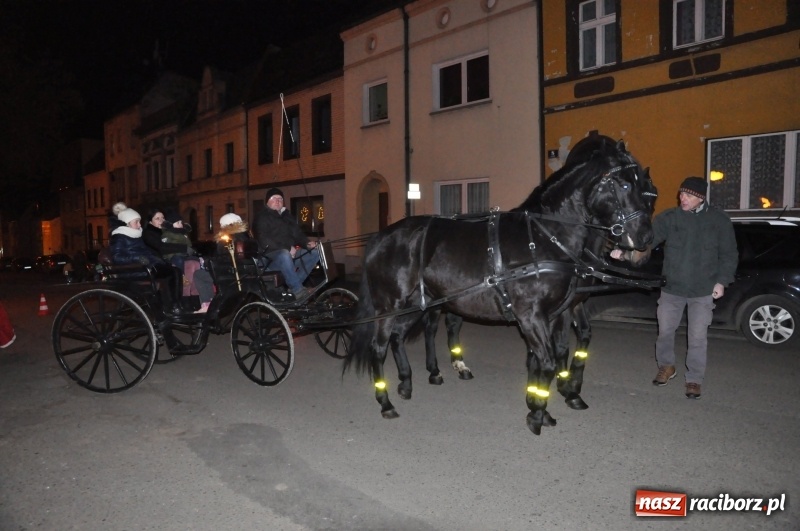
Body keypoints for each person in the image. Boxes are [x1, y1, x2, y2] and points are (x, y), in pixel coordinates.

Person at [613, 176, 738, 399]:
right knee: (665, 332)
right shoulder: (669, 218)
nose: (682, 198)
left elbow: (729, 255)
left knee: (697, 338)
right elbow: (647, 243)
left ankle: (694, 379)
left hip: (703, 290)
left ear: (700, 198)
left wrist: (722, 281)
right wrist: (625, 253)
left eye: (688, 195)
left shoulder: (718, 220)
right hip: (672, 288)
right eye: (681, 193)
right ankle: (666, 366)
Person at [252, 188, 319, 300]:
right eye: (274, 198)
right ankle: (298, 290)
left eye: (280, 199)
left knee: (315, 253)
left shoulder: (287, 216)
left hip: (289, 255)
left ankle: (294, 287)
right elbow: (264, 240)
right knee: (284, 254)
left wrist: (307, 243)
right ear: (267, 201)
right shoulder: (261, 217)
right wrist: (287, 248)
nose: (277, 201)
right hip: (268, 259)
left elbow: (298, 234)